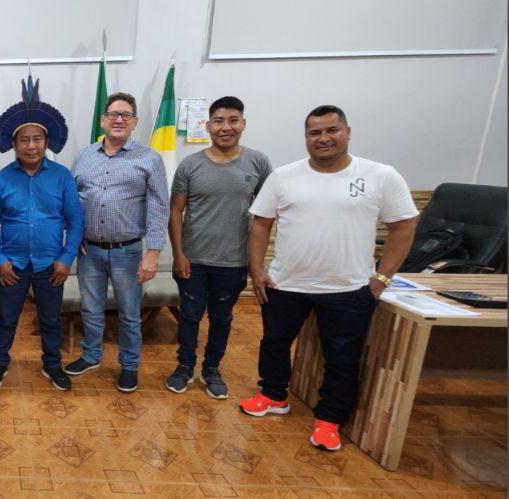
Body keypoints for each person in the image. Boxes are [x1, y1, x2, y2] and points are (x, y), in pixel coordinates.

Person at [239, 105, 418, 451]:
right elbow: (261, 223)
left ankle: (329, 419)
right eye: (315, 133)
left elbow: (404, 226)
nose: (323, 138)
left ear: (348, 131)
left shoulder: (380, 175)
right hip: (285, 284)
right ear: (306, 137)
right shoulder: (284, 176)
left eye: (331, 130)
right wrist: (258, 269)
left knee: (342, 357)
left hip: (348, 288)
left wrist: (381, 278)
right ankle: (274, 395)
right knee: (274, 344)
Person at [165, 96, 272, 399]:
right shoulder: (190, 165)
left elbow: (265, 215)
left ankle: (211, 369)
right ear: (208, 125)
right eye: (219, 121)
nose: (226, 127)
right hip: (193, 260)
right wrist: (179, 254)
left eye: (233, 120)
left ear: (243, 124)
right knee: (188, 316)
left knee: (222, 319)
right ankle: (184, 367)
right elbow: (175, 212)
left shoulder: (258, 163)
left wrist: (255, 264)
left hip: (233, 261)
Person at [0, 76, 84, 391]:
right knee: (7, 320)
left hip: (50, 265)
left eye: (37, 139)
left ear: (46, 141)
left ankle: (52, 366)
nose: (31, 145)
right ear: (14, 145)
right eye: (24, 139)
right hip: (12, 265)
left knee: (51, 321)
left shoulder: (62, 176)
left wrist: (66, 258)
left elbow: (76, 221)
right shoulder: (1, 179)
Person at [65, 92, 169, 393]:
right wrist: (74, 237)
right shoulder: (84, 156)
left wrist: (153, 253)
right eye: (113, 114)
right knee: (91, 308)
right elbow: (72, 201)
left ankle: (129, 365)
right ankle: (91, 355)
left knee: (129, 312)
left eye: (126, 114)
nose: (119, 119)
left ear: (135, 121)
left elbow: (160, 206)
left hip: (128, 251)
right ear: (103, 120)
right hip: (90, 251)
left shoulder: (149, 158)